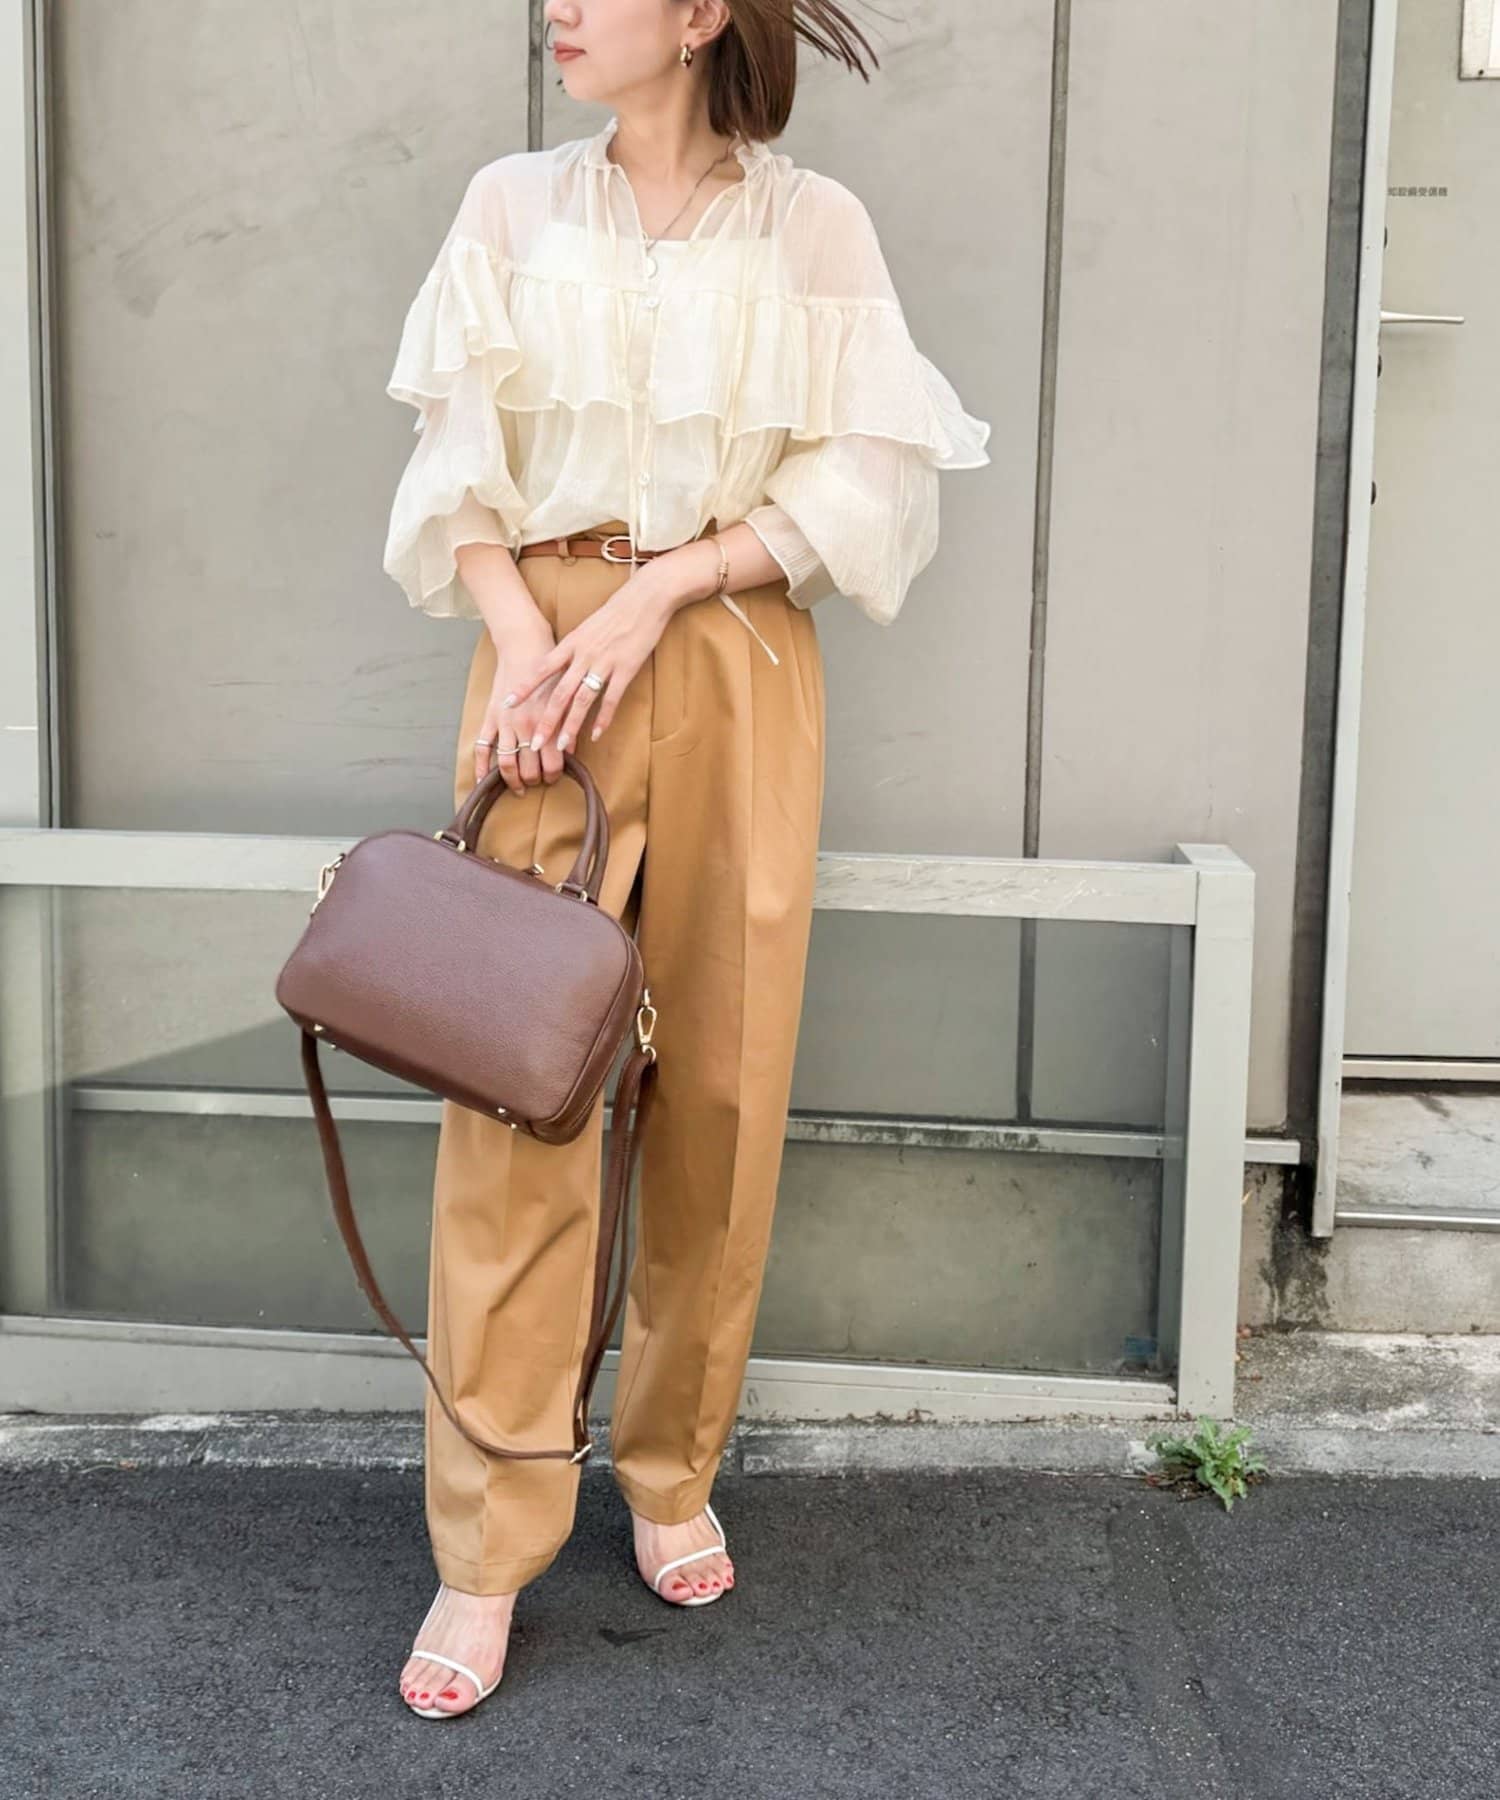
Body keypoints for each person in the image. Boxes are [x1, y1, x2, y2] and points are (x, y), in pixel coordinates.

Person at [383, 0, 991, 1720]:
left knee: (720, 1084)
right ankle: (484, 1545)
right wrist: (528, 644)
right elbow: (454, 462)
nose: (560, 11)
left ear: (704, 12)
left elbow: (868, 484)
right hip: (542, 668)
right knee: (517, 1099)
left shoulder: (815, 227)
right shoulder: (511, 204)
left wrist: (663, 586)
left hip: (726, 649)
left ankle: (669, 1464)